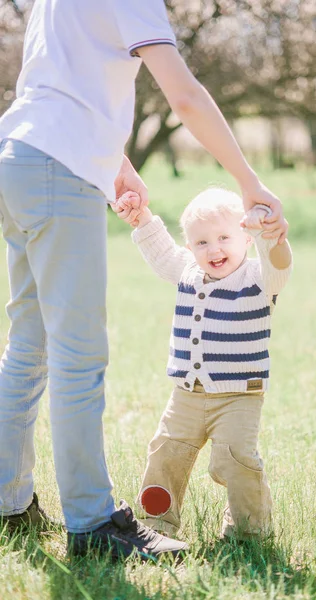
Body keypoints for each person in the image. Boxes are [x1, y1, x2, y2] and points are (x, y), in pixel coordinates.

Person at [0, 0, 287, 558]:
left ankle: (8, 504)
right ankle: (92, 524)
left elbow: (61, 85)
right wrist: (249, 182)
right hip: (59, 171)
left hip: (17, 158)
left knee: (27, 347)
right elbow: (184, 95)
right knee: (79, 356)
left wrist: (115, 160)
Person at [114, 188, 292, 539]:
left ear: (246, 237)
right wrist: (142, 218)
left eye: (225, 237)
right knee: (166, 452)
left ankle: (249, 531)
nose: (213, 249)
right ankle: (156, 524)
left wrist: (269, 234)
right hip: (187, 394)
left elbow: (280, 263)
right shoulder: (188, 272)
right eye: (201, 242)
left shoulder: (258, 278)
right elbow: (162, 252)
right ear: (191, 247)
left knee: (236, 458)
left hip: (239, 395)